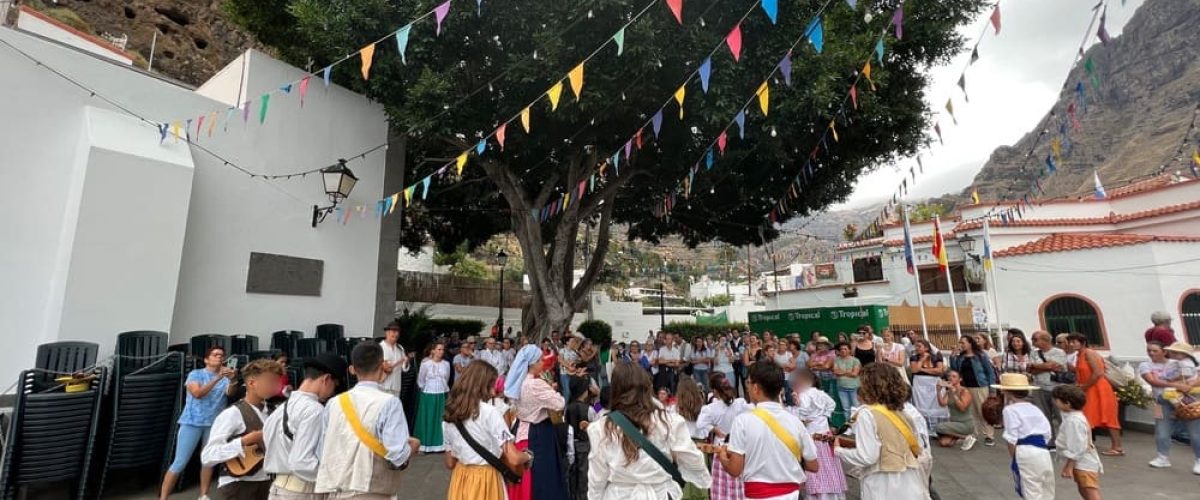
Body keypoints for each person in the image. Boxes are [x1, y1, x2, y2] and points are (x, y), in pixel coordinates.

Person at [587, 361, 711, 499]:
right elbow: (694, 461)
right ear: (647, 387)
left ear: (615, 389)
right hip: (660, 493)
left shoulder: (600, 427)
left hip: (620, 494)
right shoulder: (669, 421)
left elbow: (597, 478)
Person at [316, 342, 420, 498]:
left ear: (352, 369)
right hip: (371, 490)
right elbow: (397, 456)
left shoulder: (334, 403)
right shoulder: (389, 403)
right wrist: (413, 447)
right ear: (382, 366)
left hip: (336, 490)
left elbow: (322, 450)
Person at [717, 362, 818, 500]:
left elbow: (735, 469)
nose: (747, 388)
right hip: (793, 494)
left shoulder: (742, 421)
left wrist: (723, 457)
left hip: (758, 496)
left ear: (756, 388)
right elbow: (813, 465)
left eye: (748, 383)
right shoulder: (795, 421)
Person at [833, 363, 928, 500]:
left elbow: (867, 456)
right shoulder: (903, 412)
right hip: (909, 476)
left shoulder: (867, 414)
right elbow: (915, 445)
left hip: (882, 480)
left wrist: (839, 451)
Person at [263, 353, 347, 500]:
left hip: (278, 488)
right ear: (327, 379)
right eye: (335, 386)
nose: (332, 393)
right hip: (302, 491)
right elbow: (301, 461)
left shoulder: (280, 408)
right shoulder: (314, 410)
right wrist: (335, 477)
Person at [160, 346, 239, 500]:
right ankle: (163, 498)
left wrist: (234, 380)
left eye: (222, 355)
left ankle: (204, 495)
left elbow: (230, 393)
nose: (219, 358)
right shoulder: (195, 374)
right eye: (215, 355)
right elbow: (197, 393)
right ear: (206, 359)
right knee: (180, 462)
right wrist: (217, 378)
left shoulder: (225, 377)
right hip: (192, 422)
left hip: (213, 423)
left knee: (208, 461)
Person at [442, 360, 529, 500]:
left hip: (460, 478)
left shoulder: (450, 414)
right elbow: (514, 457)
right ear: (482, 385)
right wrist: (528, 456)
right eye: (491, 385)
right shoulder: (490, 412)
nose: (494, 391)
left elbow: (450, 462)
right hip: (485, 478)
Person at [201, 359, 284, 499]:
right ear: (251, 383)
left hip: (267, 483)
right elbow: (208, 456)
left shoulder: (273, 411)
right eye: (271, 381)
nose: (276, 386)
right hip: (237, 486)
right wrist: (244, 441)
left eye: (277, 381)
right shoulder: (232, 414)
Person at [504, 345, 568, 500]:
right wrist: (551, 389)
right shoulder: (535, 384)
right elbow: (559, 403)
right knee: (544, 473)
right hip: (539, 430)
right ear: (532, 363)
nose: (542, 363)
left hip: (520, 426)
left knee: (526, 474)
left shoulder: (518, 382)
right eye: (540, 360)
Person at [1139, 341, 1200, 472]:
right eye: (1149, 350)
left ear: (1163, 351)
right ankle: (1162, 457)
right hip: (1161, 400)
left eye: (1155, 350)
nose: (1151, 353)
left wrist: (1178, 384)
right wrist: (1178, 385)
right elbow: (1153, 381)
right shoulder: (1146, 365)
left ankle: (1199, 460)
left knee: (1195, 432)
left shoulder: (1182, 363)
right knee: (1161, 430)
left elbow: (1188, 378)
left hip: (1186, 399)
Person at [993, 373, 1054, 500]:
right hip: (1043, 451)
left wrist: (1014, 456)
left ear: (1007, 392)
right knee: (1046, 489)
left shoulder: (1010, 410)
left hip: (1025, 450)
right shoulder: (1035, 408)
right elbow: (1047, 433)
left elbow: (1011, 438)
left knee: (1031, 490)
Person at [791, 369, 847, 500]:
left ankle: (818, 491)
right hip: (824, 431)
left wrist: (800, 408)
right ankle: (833, 492)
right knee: (829, 464)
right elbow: (832, 404)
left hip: (812, 434)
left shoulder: (804, 394)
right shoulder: (820, 393)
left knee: (815, 463)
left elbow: (802, 411)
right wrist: (824, 415)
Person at [1068, 333, 1123, 456]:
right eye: (1070, 342)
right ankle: (1086, 444)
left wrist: (1084, 387)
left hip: (1098, 388)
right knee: (1087, 415)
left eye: (1074, 342)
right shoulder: (1079, 355)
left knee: (1108, 416)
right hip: (1089, 388)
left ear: (1082, 342)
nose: (1071, 344)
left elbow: (1098, 373)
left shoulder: (1089, 353)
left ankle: (1117, 446)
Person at [697, 372, 749, 500]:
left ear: (714, 391)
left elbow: (699, 425)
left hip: (721, 449)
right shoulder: (740, 403)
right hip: (739, 447)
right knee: (739, 483)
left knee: (721, 487)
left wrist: (713, 428)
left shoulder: (711, 408)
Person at [1053, 385, 1103, 500]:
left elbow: (1078, 446)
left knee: (1089, 491)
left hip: (1084, 462)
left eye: (1057, 400)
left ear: (1068, 403)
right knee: (1083, 489)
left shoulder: (1074, 421)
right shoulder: (1074, 417)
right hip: (1082, 462)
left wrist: (1069, 466)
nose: (1056, 402)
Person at [950, 335, 997, 447]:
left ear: (970, 343)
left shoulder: (980, 355)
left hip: (980, 386)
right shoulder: (961, 357)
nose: (961, 345)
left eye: (963, 343)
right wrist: (952, 357)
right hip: (967, 387)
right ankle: (974, 434)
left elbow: (990, 372)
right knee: (971, 412)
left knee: (982, 411)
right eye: (960, 343)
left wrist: (992, 390)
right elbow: (955, 370)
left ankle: (989, 435)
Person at [1028, 330, 1067, 446]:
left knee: (1061, 416)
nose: (1033, 341)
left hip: (1056, 388)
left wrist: (1036, 366)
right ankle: (1050, 441)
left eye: (1035, 339)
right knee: (1044, 416)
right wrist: (1045, 366)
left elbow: (1055, 366)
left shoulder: (1059, 352)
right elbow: (1031, 370)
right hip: (1039, 387)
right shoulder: (1034, 353)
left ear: (1045, 340)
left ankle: (1065, 441)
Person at [415, 342, 452, 453]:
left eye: (442, 350)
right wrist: (424, 388)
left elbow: (447, 378)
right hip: (428, 393)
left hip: (441, 393)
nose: (441, 352)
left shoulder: (446, 364)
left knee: (440, 418)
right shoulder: (426, 363)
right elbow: (420, 379)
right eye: (439, 349)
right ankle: (425, 445)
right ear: (433, 350)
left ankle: (440, 445)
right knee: (427, 417)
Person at [566, 376, 595, 500]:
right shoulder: (589, 409)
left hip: (570, 445)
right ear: (584, 391)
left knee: (573, 476)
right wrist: (597, 398)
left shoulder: (567, 408)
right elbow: (598, 416)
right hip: (585, 445)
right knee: (584, 477)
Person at [909, 339, 948, 428]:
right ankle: (926, 426)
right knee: (922, 403)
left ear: (926, 348)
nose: (917, 348)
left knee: (936, 403)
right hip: (920, 383)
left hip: (934, 382)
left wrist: (922, 369)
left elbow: (939, 370)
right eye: (916, 346)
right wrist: (922, 360)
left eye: (919, 346)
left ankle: (939, 426)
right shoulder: (914, 357)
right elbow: (914, 370)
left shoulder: (936, 357)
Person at [934, 370, 976, 450]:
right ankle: (961, 438)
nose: (950, 378)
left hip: (965, 424)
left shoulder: (964, 391)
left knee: (938, 427)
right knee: (944, 442)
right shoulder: (949, 390)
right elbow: (942, 404)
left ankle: (967, 437)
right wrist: (938, 391)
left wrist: (954, 394)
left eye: (954, 376)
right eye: (949, 376)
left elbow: (962, 408)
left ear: (960, 379)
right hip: (954, 423)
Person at [379, 321, 410, 399]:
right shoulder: (379, 347)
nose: (396, 334)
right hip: (383, 384)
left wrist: (406, 362)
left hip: (396, 386)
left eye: (397, 332)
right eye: (393, 331)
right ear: (387, 333)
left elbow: (404, 369)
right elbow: (374, 366)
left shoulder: (400, 348)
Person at [833, 342, 862, 413]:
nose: (843, 350)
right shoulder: (836, 360)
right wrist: (848, 372)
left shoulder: (855, 360)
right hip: (841, 388)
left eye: (845, 349)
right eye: (841, 349)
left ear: (849, 350)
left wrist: (842, 372)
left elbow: (854, 374)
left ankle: (857, 424)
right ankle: (848, 424)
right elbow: (836, 372)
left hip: (854, 388)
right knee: (846, 408)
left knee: (856, 408)